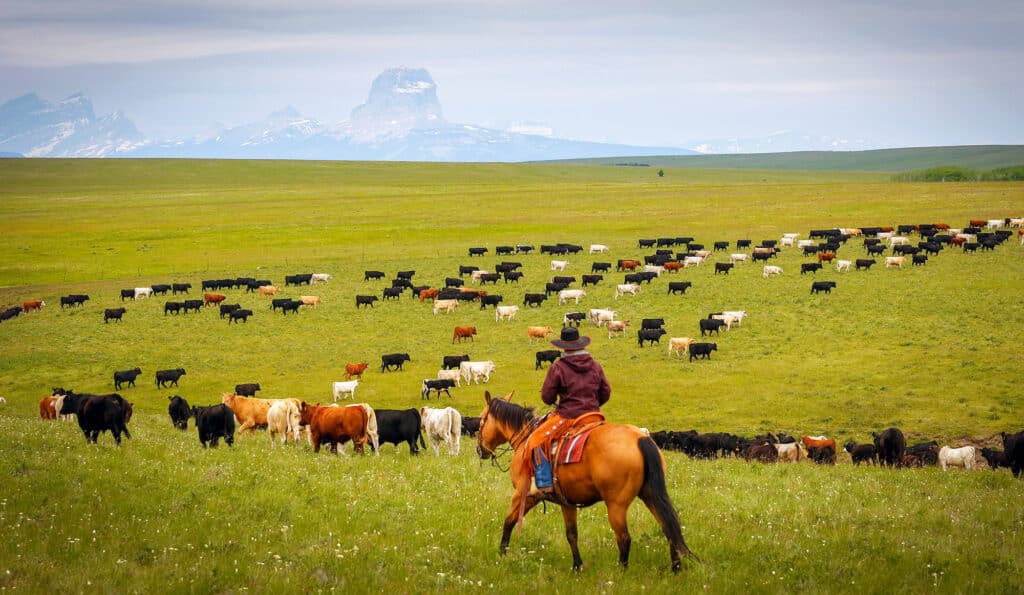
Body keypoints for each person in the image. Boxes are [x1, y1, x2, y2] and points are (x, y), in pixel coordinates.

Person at [525, 326, 611, 496]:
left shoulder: (558, 367)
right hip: (594, 416)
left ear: (563, 347)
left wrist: (558, 402)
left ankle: (542, 484)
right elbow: (606, 392)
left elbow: (547, 397)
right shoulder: (595, 365)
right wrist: (593, 404)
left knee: (534, 440)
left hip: (568, 417)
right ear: (581, 345)